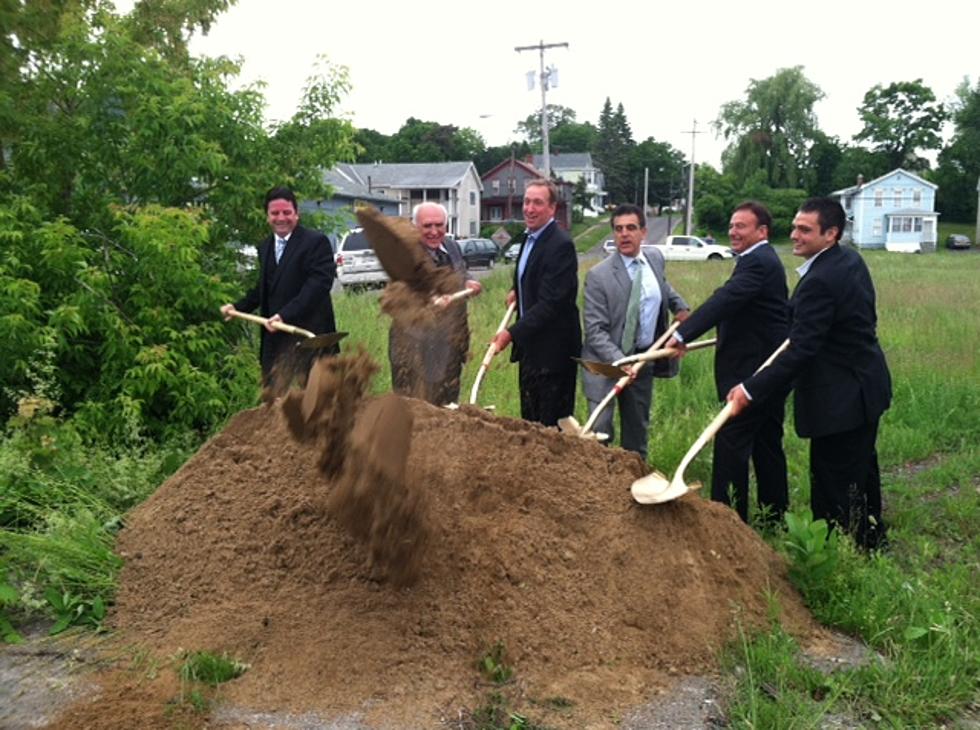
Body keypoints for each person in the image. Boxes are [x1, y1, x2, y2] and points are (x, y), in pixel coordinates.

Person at [727, 197, 891, 550]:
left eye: (805, 229)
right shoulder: (848, 260)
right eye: (795, 226)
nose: (794, 235)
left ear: (830, 234)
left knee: (833, 485)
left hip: (840, 399)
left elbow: (802, 348)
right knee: (861, 472)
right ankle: (870, 541)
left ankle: (831, 555)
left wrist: (750, 389)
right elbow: (820, 328)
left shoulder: (820, 280)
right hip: (867, 386)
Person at [666, 202, 789, 524]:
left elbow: (727, 299)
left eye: (742, 226)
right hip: (770, 370)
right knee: (767, 443)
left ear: (762, 231)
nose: (733, 231)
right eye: (732, 225)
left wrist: (683, 335)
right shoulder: (762, 259)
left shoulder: (758, 262)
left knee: (732, 442)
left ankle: (726, 522)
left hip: (753, 373)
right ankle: (774, 516)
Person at [580, 204, 689, 458]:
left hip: (643, 360)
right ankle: (600, 487)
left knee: (637, 433)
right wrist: (621, 362)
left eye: (631, 228)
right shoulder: (598, 276)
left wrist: (680, 307)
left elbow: (663, 287)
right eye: (618, 229)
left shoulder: (654, 259)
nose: (624, 234)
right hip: (604, 364)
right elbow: (595, 331)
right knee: (600, 433)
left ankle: (634, 485)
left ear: (643, 232)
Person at [221, 186, 338, 380]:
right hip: (275, 341)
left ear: (296, 214)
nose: (281, 218)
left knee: (316, 403)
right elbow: (264, 289)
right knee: (273, 399)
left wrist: (285, 315)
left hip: (309, 337)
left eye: (287, 212)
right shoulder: (265, 247)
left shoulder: (315, 242)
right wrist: (237, 307)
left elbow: (318, 286)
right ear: (267, 216)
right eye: (275, 213)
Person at [491, 179, 581, 426]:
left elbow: (552, 302)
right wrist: (517, 289)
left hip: (554, 353)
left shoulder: (560, 245)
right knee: (530, 421)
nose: (529, 208)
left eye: (538, 203)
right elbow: (532, 275)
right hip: (531, 348)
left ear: (552, 208)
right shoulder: (530, 238)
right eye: (527, 202)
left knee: (550, 428)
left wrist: (510, 333)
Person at [388, 202, 481, 405]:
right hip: (414, 345)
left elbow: (461, 272)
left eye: (439, 225)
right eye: (427, 226)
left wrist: (468, 282)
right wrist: (428, 299)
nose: (434, 231)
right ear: (415, 227)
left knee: (447, 403)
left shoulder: (452, 247)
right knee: (417, 405)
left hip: (450, 341)